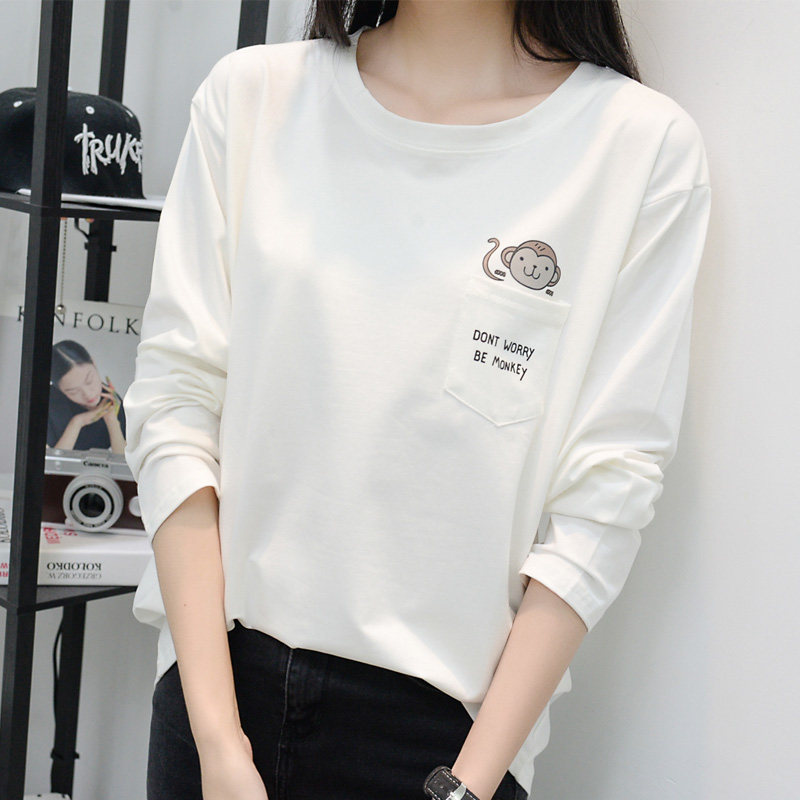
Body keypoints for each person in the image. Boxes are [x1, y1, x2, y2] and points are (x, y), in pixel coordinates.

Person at [123, 1, 712, 799]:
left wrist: (467, 787)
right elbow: (175, 408)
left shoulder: (638, 147)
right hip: (219, 698)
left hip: (445, 742)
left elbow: (605, 499)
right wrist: (218, 745)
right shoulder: (253, 97)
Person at [47, 339, 126, 453]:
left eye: (89, 381)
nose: (88, 394)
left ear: (93, 363)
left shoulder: (110, 398)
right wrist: (77, 422)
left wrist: (111, 420)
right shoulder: (50, 404)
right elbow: (54, 462)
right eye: (73, 391)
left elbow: (122, 460)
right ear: (60, 390)